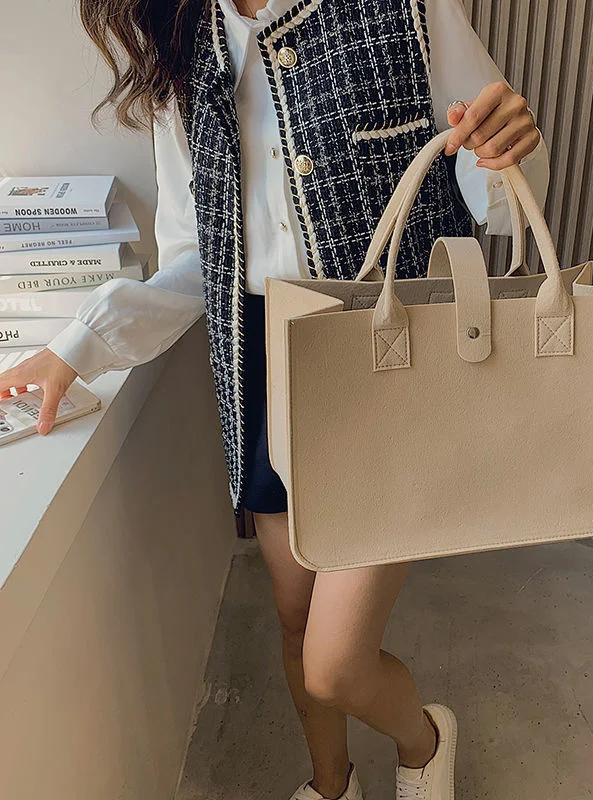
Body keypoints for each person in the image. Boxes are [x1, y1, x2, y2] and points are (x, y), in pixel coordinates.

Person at [0, 1, 548, 797]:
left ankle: (424, 742)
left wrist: (501, 153)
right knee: (294, 620)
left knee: (335, 663)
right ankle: (331, 786)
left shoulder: (408, 7)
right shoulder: (185, 45)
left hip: (385, 363)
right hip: (265, 369)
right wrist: (76, 346)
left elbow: (489, 187)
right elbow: (199, 257)